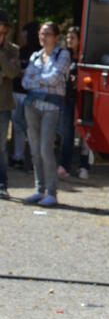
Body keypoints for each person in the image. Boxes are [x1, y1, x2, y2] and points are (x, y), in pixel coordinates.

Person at [21, 21, 70, 207]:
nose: (43, 37)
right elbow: (25, 82)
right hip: (32, 105)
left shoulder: (62, 54)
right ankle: (39, 189)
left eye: (48, 34)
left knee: (45, 148)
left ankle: (52, 191)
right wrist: (41, 82)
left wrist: (36, 80)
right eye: (42, 33)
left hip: (51, 107)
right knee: (34, 149)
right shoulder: (35, 55)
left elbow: (55, 77)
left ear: (56, 37)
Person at [58, 26, 90, 180]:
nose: (69, 41)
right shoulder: (64, 56)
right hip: (68, 98)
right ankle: (65, 164)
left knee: (84, 133)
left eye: (73, 38)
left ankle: (84, 165)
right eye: (68, 38)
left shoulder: (85, 58)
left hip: (83, 99)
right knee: (67, 133)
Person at [10, 21, 39, 169]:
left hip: (31, 95)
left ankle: (35, 160)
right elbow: (15, 71)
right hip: (16, 92)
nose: (23, 35)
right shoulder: (20, 50)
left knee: (32, 128)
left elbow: (33, 74)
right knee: (17, 126)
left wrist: (23, 73)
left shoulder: (39, 53)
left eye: (25, 33)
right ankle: (18, 156)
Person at [0, 10, 21, 200]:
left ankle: (2, 183)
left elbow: (12, 72)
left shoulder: (12, 49)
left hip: (3, 104)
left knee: (1, 147)